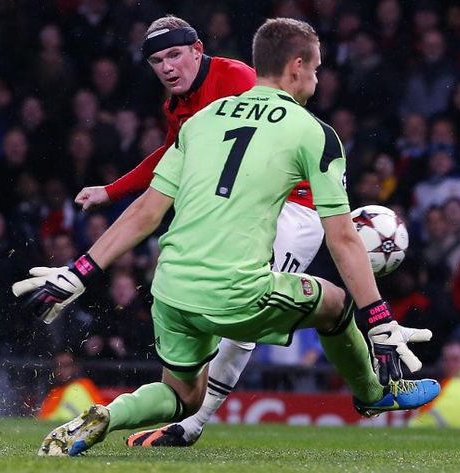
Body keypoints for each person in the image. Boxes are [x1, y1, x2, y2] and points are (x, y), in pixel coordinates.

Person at [12, 18, 439, 457]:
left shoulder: (201, 121)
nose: (317, 77)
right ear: (296, 67)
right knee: (336, 306)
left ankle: (110, 414)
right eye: (316, 68)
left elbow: (146, 211)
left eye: (173, 56)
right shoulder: (313, 131)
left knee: (180, 394)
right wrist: (380, 319)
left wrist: (80, 271)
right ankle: (371, 394)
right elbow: (345, 239)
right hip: (245, 274)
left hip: (172, 285)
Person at [74, 15, 326, 447]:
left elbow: (288, 130)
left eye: (175, 54)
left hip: (291, 207)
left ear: (197, 49)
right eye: (156, 60)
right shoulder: (177, 105)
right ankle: (180, 403)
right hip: (239, 211)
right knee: (213, 300)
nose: (168, 67)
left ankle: (191, 424)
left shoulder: (238, 79)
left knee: (247, 318)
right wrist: (112, 191)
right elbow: (173, 156)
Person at [38, 352, 103, 422]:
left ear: (74, 367)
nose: (61, 370)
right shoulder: (55, 392)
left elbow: (102, 411)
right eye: (58, 366)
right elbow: (43, 418)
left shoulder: (84, 385)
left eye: (66, 366)